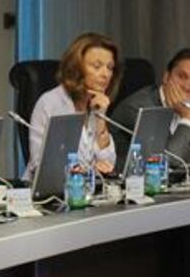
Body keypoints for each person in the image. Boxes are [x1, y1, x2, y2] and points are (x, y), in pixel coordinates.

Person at [27, 32, 123, 178]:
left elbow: (109, 165)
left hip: (90, 190)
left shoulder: (96, 104)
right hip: (47, 191)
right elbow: (40, 165)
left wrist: (100, 118)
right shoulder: (50, 103)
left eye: (110, 67)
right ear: (76, 68)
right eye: (97, 66)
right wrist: (88, 172)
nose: (105, 74)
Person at [110, 47, 190, 169]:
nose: (186, 87)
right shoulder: (139, 107)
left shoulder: (185, 109)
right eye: (181, 76)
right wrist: (187, 119)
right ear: (166, 76)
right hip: (124, 179)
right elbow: (162, 163)